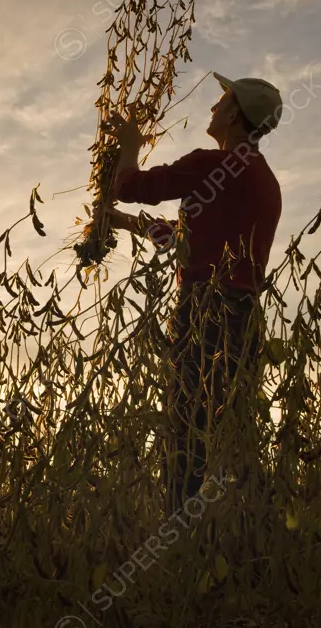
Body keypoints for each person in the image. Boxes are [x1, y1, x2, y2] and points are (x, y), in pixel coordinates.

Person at [105, 72, 284, 514]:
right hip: (243, 321)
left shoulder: (212, 164)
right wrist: (127, 225)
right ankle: (238, 543)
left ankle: (179, 544)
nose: (212, 108)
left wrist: (131, 139)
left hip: (203, 314)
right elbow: (195, 243)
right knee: (231, 435)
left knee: (185, 433)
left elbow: (128, 187)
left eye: (222, 102)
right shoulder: (264, 181)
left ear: (237, 116)